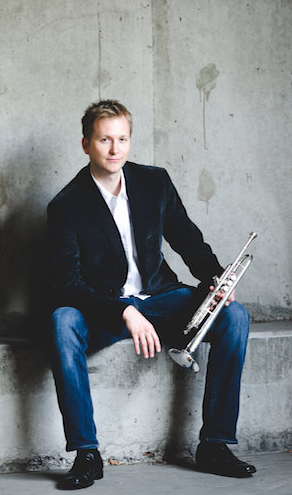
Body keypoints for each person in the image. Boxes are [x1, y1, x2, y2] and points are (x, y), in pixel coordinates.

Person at [47, 99, 256, 490]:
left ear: (129, 141)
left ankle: (215, 444)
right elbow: (66, 285)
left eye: (122, 139)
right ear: (85, 144)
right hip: (105, 309)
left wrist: (215, 280)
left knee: (235, 315)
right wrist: (123, 312)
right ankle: (86, 452)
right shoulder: (66, 206)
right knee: (62, 320)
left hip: (160, 298)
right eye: (104, 140)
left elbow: (188, 240)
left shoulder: (154, 182)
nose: (114, 149)